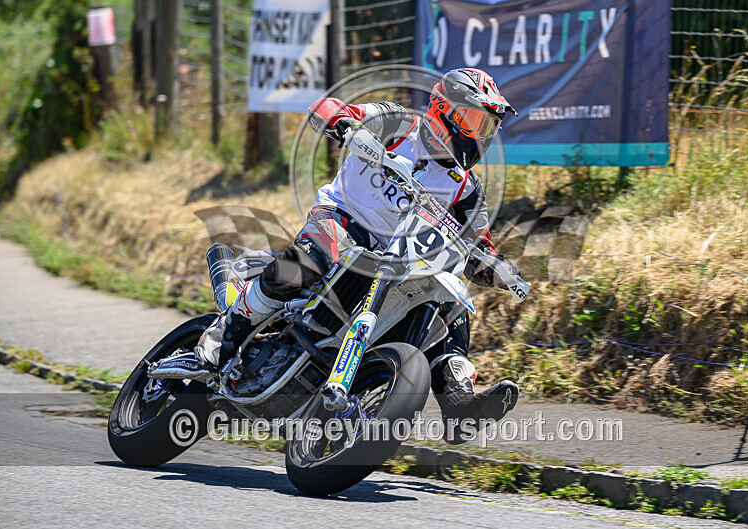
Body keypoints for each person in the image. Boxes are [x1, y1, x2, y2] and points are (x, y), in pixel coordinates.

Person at [195, 67, 523, 444]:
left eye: (488, 126)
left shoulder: (467, 190)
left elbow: (479, 244)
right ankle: (226, 330)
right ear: (442, 108)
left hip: (398, 260)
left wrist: (498, 267)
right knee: (317, 253)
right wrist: (344, 125)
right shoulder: (399, 124)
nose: (480, 134)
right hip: (343, 220)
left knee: (451, 305)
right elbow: (329, 108)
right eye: (474, 120)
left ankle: (457, 403)